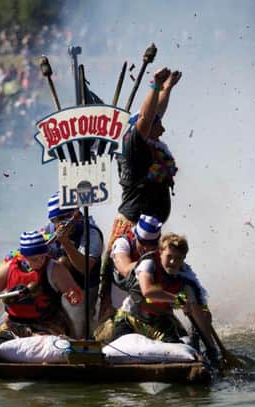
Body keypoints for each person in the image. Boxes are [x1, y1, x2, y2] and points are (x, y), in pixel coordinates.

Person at [99, 67, 182, 318]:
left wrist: (167, 89)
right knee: (125, 278)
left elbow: (155, 114)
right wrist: (154, 86)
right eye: (158, 125)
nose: (163, 128)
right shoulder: (134, 146)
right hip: (133, 227)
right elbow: (147, 118)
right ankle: (109, 317)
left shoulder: (150, 142)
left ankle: (152, 312)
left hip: (151, 228)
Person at [109, 233, 220, 365]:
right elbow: (147, 291)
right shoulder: (148, 264)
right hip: (131, 318)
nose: (173, 262)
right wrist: (177, 300)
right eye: (169, 257)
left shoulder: (186, 278)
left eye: (178, 258)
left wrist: (211, 348)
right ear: (160, 253)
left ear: (184, 258)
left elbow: (197, 314)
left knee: (183, 343)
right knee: (115, 348)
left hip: (160, 321)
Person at [0, 230, 84, 351]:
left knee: (47, 347)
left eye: (42, 256)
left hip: (47, 323)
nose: (41, 261)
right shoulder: (9, 267)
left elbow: (76, 295)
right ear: (24, 257)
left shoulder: (55, 269)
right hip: (14, 324)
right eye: (35, 259)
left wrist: (74, 296)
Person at [43, 191, 104, 336]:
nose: (58, 225)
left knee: (77, 333)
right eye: (55, 220)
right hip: (57, 287)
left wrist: (65, 243)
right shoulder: (49, 230)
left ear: (75, 215)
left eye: (62, 219)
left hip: (83, 287)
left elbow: (85, 268)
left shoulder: (91, 233)